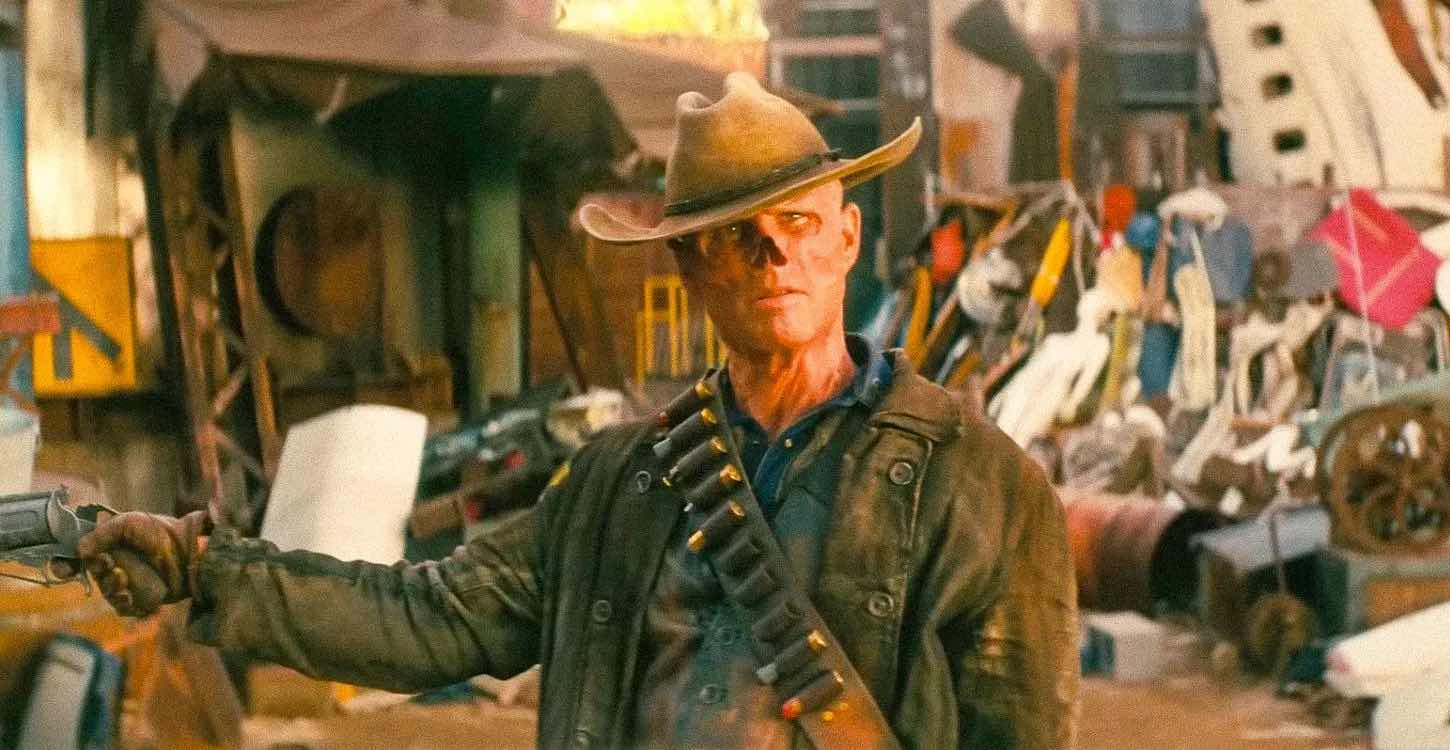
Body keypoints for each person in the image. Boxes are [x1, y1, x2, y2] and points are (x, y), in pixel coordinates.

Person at [78, 72, 1078, 749]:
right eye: (739, 234)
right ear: (688, 263)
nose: (776, 256)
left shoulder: (978, 484)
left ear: (849, 238)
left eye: (799, 223)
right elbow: (428, 617)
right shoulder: (620, 481)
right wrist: (206, 569)